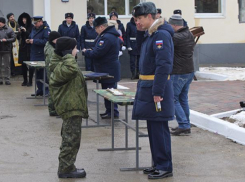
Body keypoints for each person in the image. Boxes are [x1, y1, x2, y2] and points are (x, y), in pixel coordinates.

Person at [132, 2, 174, 179]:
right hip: (148, 87)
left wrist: (158, 91)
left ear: (150, 16)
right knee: (152, 127)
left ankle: (165, 166)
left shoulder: (161, 36)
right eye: (135, 20)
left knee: (159, 127)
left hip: (156, 89)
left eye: (139, 19)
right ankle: (157, 163)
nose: (137, 23)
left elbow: (163, 66)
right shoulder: (150, 35)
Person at [49, 37, 88, 178]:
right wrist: (68, 55)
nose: (76, 50)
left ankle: (68, 166)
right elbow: (71, 69)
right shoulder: (64, 65)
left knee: (70, 137)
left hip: (72, 105)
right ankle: (66, 169)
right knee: (71, 139)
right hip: (70, 106)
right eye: (74, 48)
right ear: (67, 51)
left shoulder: (61, 62)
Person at [82, 17, 120, 119]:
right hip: (107, 68)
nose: (95, 30)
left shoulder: (107, 37)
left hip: (108, 69)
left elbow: (98, 52)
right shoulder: (107, 36)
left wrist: (86, 52)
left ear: (102, 27)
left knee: (110, 91)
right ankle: (110, 111)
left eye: (96, 28)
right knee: (107, 91)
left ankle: (113, 112)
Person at [168, 14, 195, 135]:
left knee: (173, 98)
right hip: (189, 71)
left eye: (169, 24)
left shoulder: (176, 37)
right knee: (183, 98)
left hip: (179, 72)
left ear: (174, 24)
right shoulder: (189, 34)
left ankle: (183, 125)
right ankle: (186, 124)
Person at [27, 16, 50, 95]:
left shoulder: (46, 29)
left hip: (41, 54)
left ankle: (46, 90)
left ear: (40, 22)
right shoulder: (34, 29)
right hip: (34, 53)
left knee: (44, 73)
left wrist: (34, 41)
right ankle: (40, 90)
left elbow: (46, 41)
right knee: (37, 73)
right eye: (34, 23)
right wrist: (29, 40)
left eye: (36, 23)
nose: (35, 25)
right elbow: (31, 36)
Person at [44, 31, 61, 116]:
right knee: (53, 90)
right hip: (53, 72)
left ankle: (53, 109)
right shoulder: (51, 50)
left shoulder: (50, 45)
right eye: (57, 39)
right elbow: (53, 62)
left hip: (52, 71)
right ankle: (53, 109)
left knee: (53, 90)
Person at [17, 12, 33, 86]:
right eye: (23, 19)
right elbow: (18, 38)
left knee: (30, 64)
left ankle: (30, 81)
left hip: (29, 47)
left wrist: (25, 31)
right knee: (23, 64)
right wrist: (19, 32)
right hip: (23, 46)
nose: (24, 20)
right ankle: (25, 80)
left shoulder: (31, 26)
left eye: (25, 19)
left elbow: (31, 35)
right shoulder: (20, 26)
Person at [0, 17, 16, 85]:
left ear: (2, 23)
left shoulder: (9, 30)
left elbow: (14, 38)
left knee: (7, 66)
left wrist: (6, 40)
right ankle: (0, 79)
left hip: (6, 50)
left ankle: (7, 79)